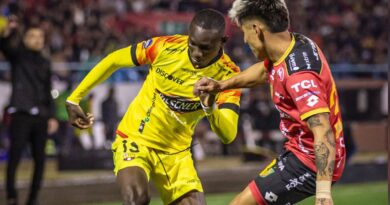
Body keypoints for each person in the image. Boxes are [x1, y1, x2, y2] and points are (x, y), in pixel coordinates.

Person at [65, 9, 241, 205]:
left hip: (176, 153)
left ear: (223, 41)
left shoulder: (229, 76)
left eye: (205, 48)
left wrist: (210, 107)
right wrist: (74, 99)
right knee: (136, 199)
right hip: (136, 139)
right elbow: (113, 60)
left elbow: (228, 135)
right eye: (193, 44)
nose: (197, 54)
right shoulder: (165, 47)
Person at [194, 1, 346, 205]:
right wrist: (220, 85)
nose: (245, 41)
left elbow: (323, 130)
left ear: (256, 29)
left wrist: (324, 193)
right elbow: (263, 71)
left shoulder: (300, 76)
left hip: (310, 162)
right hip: (297, 151)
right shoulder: (294, 45)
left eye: (244, 32)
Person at [0, 16, 58, 205]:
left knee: (40, 161)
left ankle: (33, 199)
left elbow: (48, 89)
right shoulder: (18, 56)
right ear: (25, 39)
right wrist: (9, 32)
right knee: (14, 158)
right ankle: (12, 197)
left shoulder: (45, 62)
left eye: (40, 37)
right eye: (32, 36)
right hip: (21, 114)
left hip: (41, 116)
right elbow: (5, 46)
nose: (37, 40)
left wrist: (52, 116)